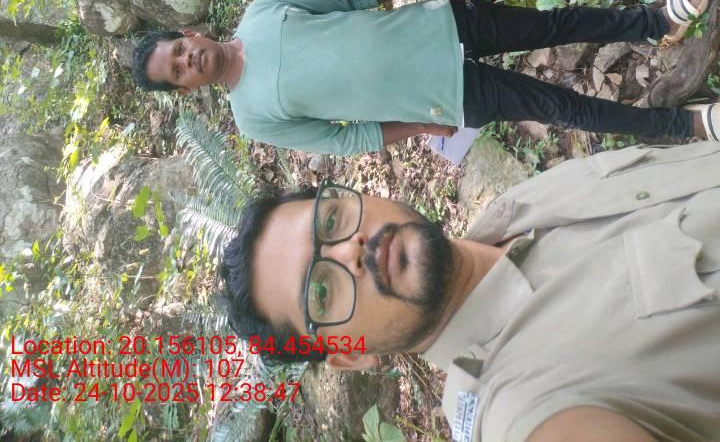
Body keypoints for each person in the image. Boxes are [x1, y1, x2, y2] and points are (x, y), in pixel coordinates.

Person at [220, 140, 720, 441]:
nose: (350, 249)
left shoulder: (516, 208)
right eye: (321, 291)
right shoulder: (516, 406)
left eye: (331, 221)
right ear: (349, 355)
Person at [131, 0, 719, 153]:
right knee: (559, 107)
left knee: (552, 25)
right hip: (445, 94)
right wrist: (419, 126)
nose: (188, 60)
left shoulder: (263, 12)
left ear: (188, 34)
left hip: (443, 25)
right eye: (177, 71)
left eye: (178, 51)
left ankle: (652, 22)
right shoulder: (254, 118)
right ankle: (682, 125)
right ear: (184, 88)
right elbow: (345, 139)